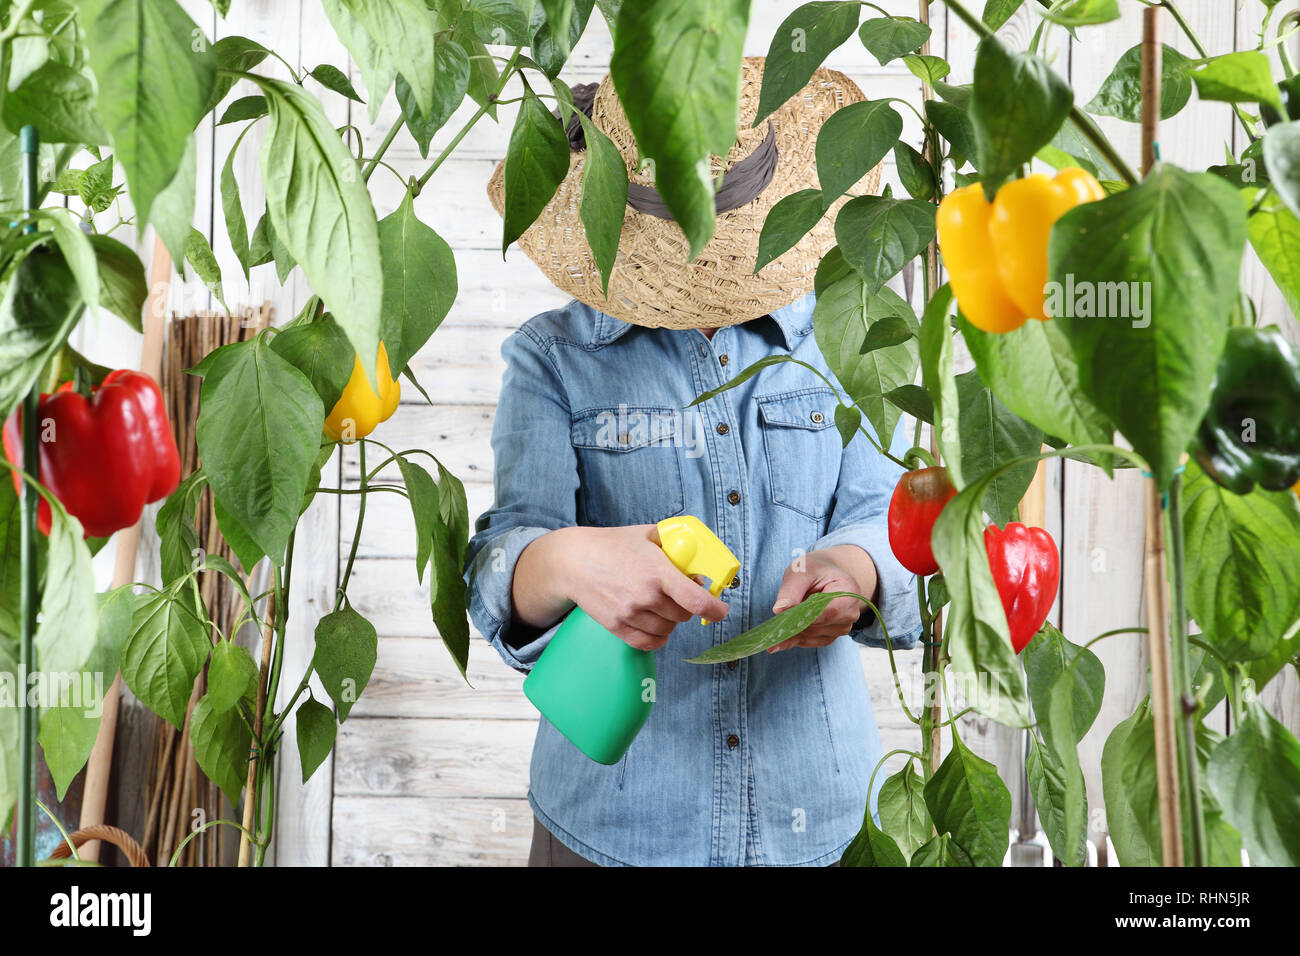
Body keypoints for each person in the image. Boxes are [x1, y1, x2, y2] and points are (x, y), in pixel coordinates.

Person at [466, 58, 922, 867]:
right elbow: (502, 560)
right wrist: (568, 562)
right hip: (612, 828)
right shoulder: (553, 358)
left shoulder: (846, 334)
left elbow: (894, 521)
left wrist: (854, 572)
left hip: (816, 821)